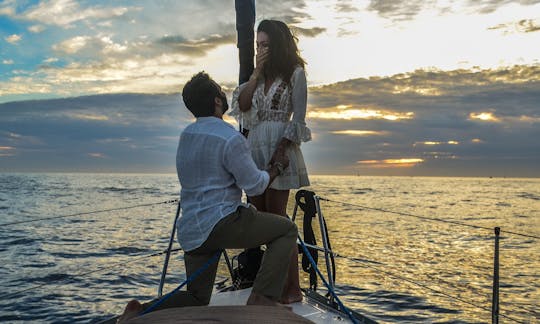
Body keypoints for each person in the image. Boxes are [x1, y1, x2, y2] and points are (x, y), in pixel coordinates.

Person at [117, 72, 297, 322]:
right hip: (222, 225)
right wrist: (276, 167)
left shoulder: (185, 137)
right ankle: (263, 299)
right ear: (216, 101)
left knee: (197, 298)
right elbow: (255, 186)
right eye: (220, 93)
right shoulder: (230, 138)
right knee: (286, 230)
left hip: (192, 231)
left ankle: (142, 310)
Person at [230, 19, 311, 304]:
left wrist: (283, 150)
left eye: (265, 45)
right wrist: (256, 72)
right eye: (257, 45)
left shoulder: (295, 74)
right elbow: (242, 107)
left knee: (278, 218)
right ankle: (271, 285)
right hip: (254, 148)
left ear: (277, 45)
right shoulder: (257, 77)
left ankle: (293, 288)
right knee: (257, 218)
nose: (261, 50)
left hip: (280, 146)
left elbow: (298, 117)